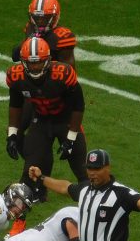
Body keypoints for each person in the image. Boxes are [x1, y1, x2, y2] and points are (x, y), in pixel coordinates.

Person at [6, 36, 87, 205]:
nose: (34, 66)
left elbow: (78, 106)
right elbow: (15, 105)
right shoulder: (16, 76)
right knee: (29, 171)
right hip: (41, 120)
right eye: (30, 62)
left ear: (48, 60)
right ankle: (27, 209)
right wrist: (12, 134)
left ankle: (96, 202)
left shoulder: (62, 73)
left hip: (66, 121)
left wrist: (70, 139)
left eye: (38, 62)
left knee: (83, 170)